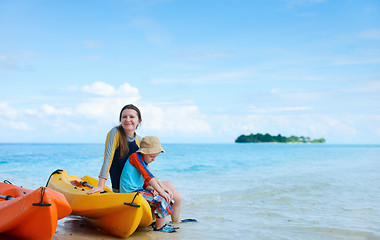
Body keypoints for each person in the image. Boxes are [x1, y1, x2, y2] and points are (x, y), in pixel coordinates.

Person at [87, 104, 183, 223]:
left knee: (174, 192)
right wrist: (101, 185)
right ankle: (155, 220)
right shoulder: (115, 132)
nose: (127, 120)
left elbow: (142, 170)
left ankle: (176, 223)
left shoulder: (139, 140)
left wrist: (148, 186)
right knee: (167, 190)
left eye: (132, 117)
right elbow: (108, 159)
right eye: (124, 117)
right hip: (124, 188)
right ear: (120, 119)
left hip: (137, 184)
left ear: (139, 121)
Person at [120, 136, 177, 232]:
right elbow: (148, 176)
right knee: (162, 198)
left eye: (155, 157)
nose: (153, 159)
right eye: (152, 156)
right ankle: (159, 227)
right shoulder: (134, 157)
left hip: (139, 191)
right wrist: (161, 190)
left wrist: (152, 190)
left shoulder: (143, 163)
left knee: (166, 197)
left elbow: (145, 183)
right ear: (143, 152)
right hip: (130, 193)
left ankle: (158, 222)